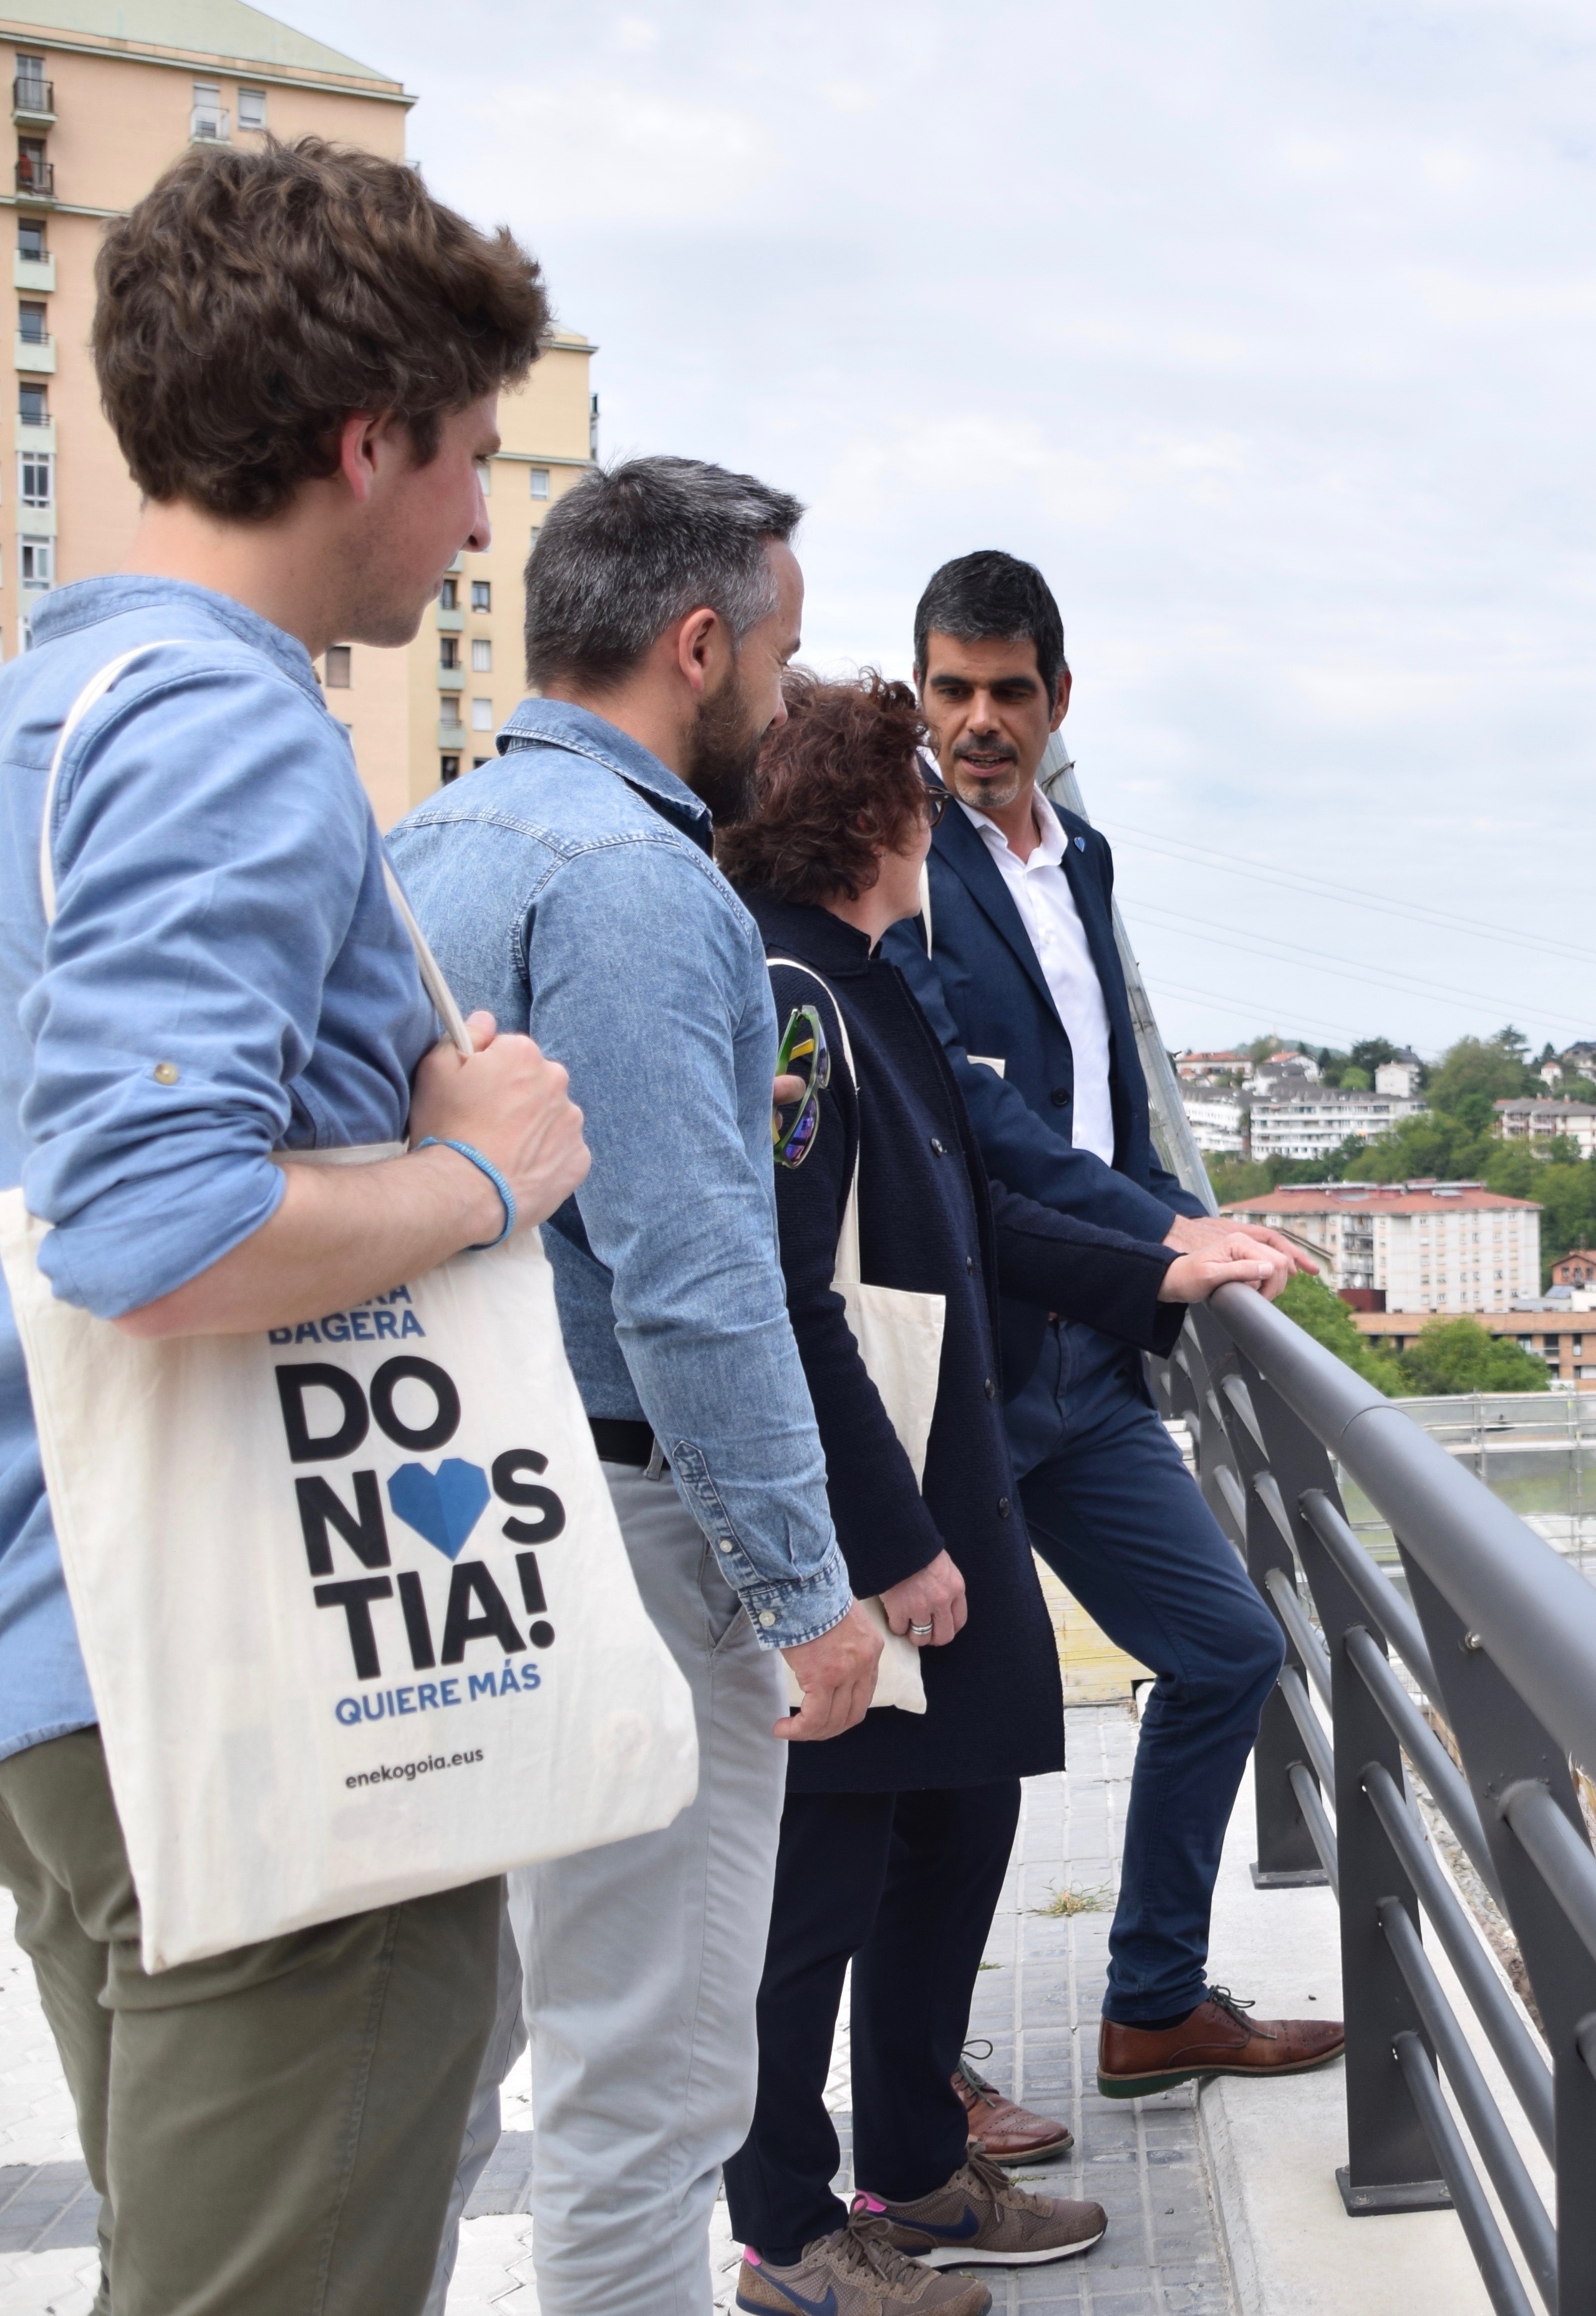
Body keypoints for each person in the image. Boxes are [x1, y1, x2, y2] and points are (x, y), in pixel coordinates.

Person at [0, 140, 583, 2314]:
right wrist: (484, 1170)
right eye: (470, 460)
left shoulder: (51, 712)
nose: (477, 524)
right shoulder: (230, 725)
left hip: (79, 1644)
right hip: (276, 1673)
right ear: (366, 443)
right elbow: (148, 1221)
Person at [397, 457, 890, 2314]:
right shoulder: (637, 882)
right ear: (698, 647)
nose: (785, 692)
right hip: (622, 1522)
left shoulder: (424, 845)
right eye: (779, 650)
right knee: (649, 2087)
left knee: (440, 2073)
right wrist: (803, 1589)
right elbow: (696, 1282)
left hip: (454, 1515)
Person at [717, 674, 1275, 2312]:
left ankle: (915, 2172)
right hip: (869, 1514)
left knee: (960, 1819)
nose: (936, 825)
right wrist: (892, 1545)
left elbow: (983, 1219)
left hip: (931, 1481)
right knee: (821, 1891)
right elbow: (789, 1293)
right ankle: (791, 2235)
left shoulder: (869, 985)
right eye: (914, 797)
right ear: (871, 824)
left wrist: (1162, 1267)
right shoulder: (799, 1002)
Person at [880, 551, 1340, 2103]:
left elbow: (1111, 1115)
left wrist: (1192, 1218)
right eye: (951, 690)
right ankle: (920, 2089)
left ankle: (1152, 2002)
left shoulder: (1083, 862)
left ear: (1057, 697)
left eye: (1008, 691)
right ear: (922, 694)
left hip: (1091, 1352)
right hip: (966, 1359)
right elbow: (977, 1122)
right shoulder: (903, 860)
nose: (979, 721)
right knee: (953, 1745)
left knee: (1226, 1650)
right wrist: (1159, 1238)